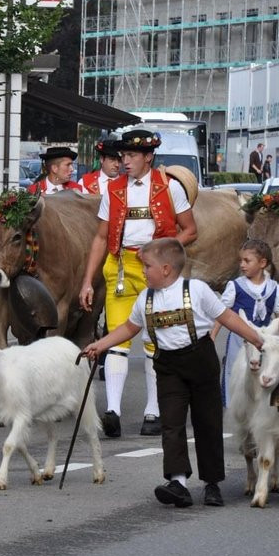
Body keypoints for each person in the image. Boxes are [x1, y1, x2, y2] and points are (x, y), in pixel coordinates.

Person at [82, 238, 264, 508]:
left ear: (166, 269)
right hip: (167, 365)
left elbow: (228, 319)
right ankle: (178, 482)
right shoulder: (145, 298)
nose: (143, 271)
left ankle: (212, 483)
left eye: (147, 266)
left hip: (200, 359)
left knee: (208, 423)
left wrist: (260, 341)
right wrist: (101, 345)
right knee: (172, 423)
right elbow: (129, 329)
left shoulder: (197, 290)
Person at [79, 129, 197, 438]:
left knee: (152, 340)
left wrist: (162, 251)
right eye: (122, 156)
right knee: (117, 337)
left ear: (148, 157)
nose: (124, 162)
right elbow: (101, 237)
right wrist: (87, 282)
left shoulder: (171, 188)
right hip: (118, 269)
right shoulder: (113, 189)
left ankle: (153, 411)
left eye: (131, 156)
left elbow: (190, 230)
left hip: (158, 270)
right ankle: (113, 411)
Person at [215, 239, 279, 405]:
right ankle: (236, 405)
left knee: (265, 371)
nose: (242, 265)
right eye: (241, 260)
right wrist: (212, 336)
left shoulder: (276, 289)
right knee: (236, 371)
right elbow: (222, 313)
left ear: (262, 263)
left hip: (265, 340)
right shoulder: (235, 286)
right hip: (238, 339)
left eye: (247, 261)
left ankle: (262, 405)